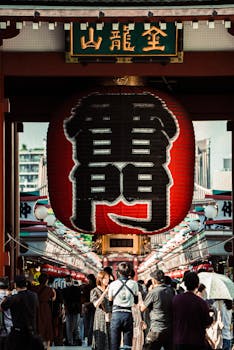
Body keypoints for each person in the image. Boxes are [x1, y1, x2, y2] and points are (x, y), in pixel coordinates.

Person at [1, 275, 44, 350]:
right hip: (32, 332)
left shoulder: (14, 298)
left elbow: (2, 307)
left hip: (18, 333)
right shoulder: (34, 296)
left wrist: (7, 297)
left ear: (15, 284)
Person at [172, 271, 213, 350]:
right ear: (197, 285)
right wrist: (211, 318)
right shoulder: (201, 303)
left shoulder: (175, 299)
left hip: (179, 341)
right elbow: (207, 323)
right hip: (197, 342)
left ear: (185, 284)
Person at [140, 270, 174, 350]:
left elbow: (142, 308)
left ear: (154, 280)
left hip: (156, 329)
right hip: (169, 328)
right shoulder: (170, 290)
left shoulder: (153, 292)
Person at [108, 262, 138, 350]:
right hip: (128, 315)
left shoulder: (113, 284)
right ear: (129, 272)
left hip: (116, 315)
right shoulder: (134, 284)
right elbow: (136, 300)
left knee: (114, 343)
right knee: (127, 343)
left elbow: (110, 301)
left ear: (118, 272)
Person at [32, 273, 56, 350]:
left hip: (36, 308)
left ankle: (39, 344)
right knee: (47, 326)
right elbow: (53, 298)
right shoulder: (49, 289)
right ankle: (48, 346)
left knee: (38, 325)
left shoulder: (34, 288)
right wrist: (54, 293)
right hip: (46, 308)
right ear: (46, 281)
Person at [90, 270, 111, 350]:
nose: (107, 280)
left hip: (110, 316)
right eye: (105, 278)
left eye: (108, 278)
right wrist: (105, 292)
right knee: (101, 338)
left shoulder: (110, 290)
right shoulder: (94, 291)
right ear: (100, 279)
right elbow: (96, 304)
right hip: (100, 316)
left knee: (109, 339)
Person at [62, 275, 82, 346]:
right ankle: (70, 341)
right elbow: (64, 301)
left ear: (72, 280)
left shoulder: (76, 289)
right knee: (68, 326)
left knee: (76, 326)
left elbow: (79, 300)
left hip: (75, 310)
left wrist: (80, 310)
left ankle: (76, 340)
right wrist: (65, 309)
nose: (68, 282)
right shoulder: (64, 290)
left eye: (69, 280)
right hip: (69, 310)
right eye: (67, 281)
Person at [80, 273, 96, 346]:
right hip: (93, 307)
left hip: (88, 307)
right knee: (91, 325)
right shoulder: (94, 287)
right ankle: (90, 340)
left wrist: (84, 305)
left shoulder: (86, 287)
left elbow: (83, 299)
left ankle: (89, 340)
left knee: (88, 325)